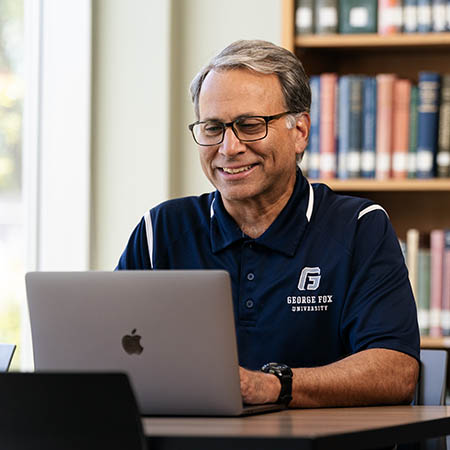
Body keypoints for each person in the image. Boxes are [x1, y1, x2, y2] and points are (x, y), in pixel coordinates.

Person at [117, 39, 420, 408]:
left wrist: (275, 385)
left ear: (300, 132)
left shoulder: (359, 227)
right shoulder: (158, 231)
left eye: (249, 125)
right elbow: (112, 351)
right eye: (212, 128)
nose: (229, 147)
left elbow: (396, 370)